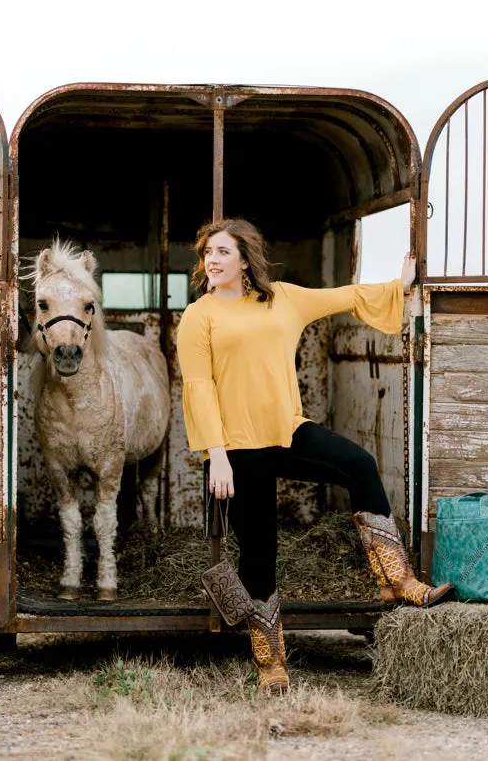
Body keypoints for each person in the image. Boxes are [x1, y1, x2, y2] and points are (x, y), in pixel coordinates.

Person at [176, 218, 452, 694]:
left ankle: (396, 578)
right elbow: (198, 389)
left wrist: (398, 286)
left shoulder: (282, 297)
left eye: (222, 252)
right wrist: (215, 455)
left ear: (245, 259)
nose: (212, 261)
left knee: (359, 464)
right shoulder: (199, 316)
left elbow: (342, 297)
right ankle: (271, 664)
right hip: (237, 446)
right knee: (261, 552)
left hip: (287, 429)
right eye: (208, 254)